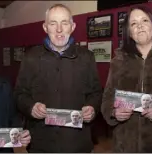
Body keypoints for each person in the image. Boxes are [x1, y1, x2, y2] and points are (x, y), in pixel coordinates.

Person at [14, 4, 102, 153]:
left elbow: (96, 93)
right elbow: (19, 94)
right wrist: (30, 107)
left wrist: (92, 108)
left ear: (72, 27)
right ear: (45, 27)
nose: (59, 29)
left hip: (77, 143)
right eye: (53, 23)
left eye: (64, 23)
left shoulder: (87, 57)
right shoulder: (31, 58)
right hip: (41, 144)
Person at [101, 5, 152, 153]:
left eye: (145, 20)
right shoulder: (118, 61)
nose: (140, 26)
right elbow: (107, 100)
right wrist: (114, 112)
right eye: (133, 23)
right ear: (129, 32)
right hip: (125, 145)